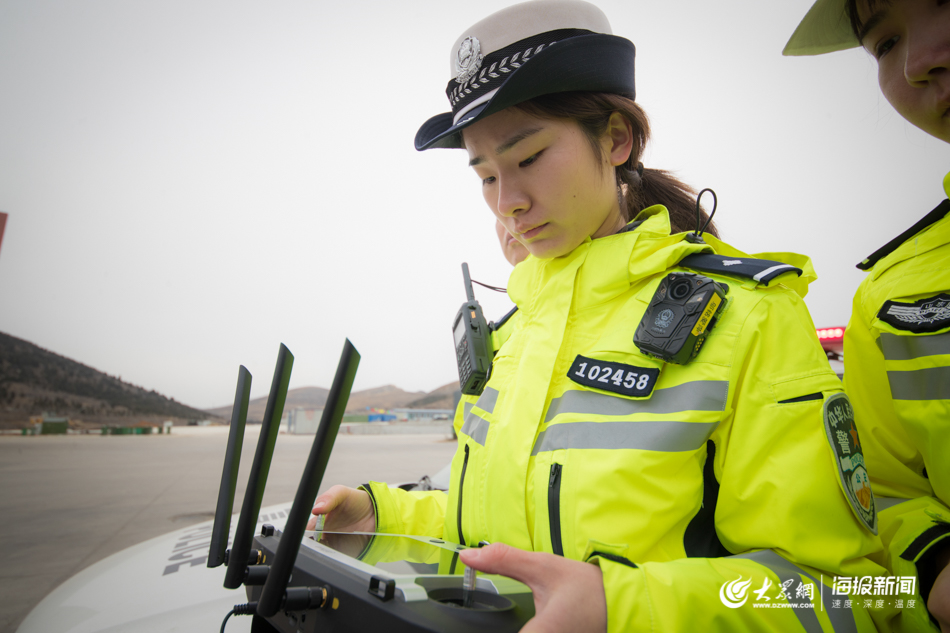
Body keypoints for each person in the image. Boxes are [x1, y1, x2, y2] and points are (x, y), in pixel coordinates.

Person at [312, 1, 887, 630]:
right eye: (485, 176)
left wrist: (622, 605)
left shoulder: (747, 319)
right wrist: (382, 517)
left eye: (529, 158)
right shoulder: (511, 339)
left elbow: (847, 594)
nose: (508, 203)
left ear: (616, 139)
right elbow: (496, 525)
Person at [785, 1, 950, 631]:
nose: (916, 63)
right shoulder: (891, 299)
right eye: (884, 44)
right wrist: (936, 567)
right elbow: (882, 488)